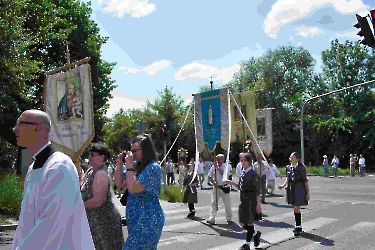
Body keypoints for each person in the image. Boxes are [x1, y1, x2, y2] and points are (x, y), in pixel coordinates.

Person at [11, 109, 95, 250]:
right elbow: (25, 222)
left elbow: (51, 221)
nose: (15, 128)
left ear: (37, 128)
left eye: (20, 123)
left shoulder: (59, 166)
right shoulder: (33, 168)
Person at [114, 134, 165, 249]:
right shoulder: (137, 167)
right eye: (131, 151)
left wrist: (130, 166)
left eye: (135, 151)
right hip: (136, 220)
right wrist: (120, 162)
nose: (132, 154)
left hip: (149, 220)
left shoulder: (153, 168)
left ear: (145, 150)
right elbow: (119, 183)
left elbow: (133, 188)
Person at [80, 143, 124, 250]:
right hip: (95, 221)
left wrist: (78, 205)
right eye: (89, 155)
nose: (89, 157)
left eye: (93, 155)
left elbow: (98, 201)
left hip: (104, 222)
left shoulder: (100, 174)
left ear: (102, 156)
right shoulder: (91, 171)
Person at [225, 152, 262, 250]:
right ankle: (255, 233)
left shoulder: (253, 174)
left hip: (251, 200)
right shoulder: (243, 172)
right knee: (242, 223)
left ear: (249, 162)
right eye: (241, 160)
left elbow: (257, 191)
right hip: (243, 200)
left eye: (244, 160)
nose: (242, 162)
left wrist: (258, 204)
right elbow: (240, 187)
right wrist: (231, 182)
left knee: (249, 223)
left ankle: (247, 244)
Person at [278, 152, 310, 236]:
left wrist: (308, 193)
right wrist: (283, 185)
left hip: (299, 188)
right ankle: (298, 225)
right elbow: (288, 178)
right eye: (290, 157)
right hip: (291, 189)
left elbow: (305, 181)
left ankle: (298, 226)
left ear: (297, 159)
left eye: (292, 158)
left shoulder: (301, 168)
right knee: (295, 208)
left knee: (296, 207)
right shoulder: (288, 167)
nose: (290, 159)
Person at [206, 154, 233, 224]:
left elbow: (223, 174)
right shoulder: (214, 166)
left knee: (227, 204)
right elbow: (209, 176)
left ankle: (229, 218)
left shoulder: (227, 166)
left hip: (225, 186)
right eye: (218, 159)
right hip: (216, 187)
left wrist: (217, 167)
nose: (219, 161)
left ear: (223, 160)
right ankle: (212, 218)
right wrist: (213, 182)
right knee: (214, 203)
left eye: (221, 159)